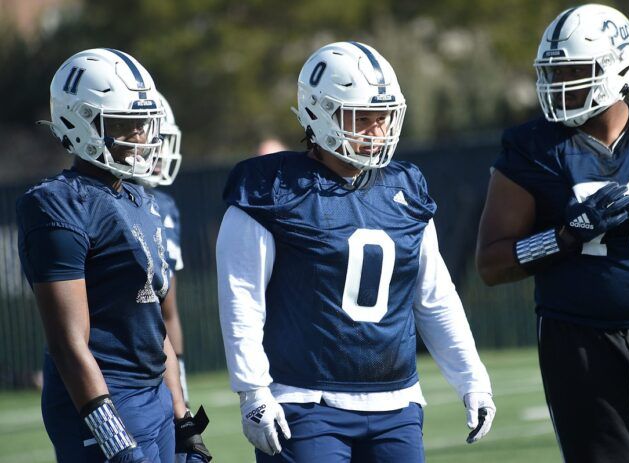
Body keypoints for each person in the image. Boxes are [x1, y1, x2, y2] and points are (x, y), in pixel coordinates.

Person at [217, 41, 495, 463]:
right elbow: (242, 298)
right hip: (305, 402)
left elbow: (435, 298)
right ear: (318, 113)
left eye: (382, 118)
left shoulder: (406, 187)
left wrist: (473, 380)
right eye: (361, 119)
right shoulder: (271, 189)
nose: (376, 132)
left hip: (397, 403)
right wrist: (252, 390)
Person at [476, 4, 629, 462]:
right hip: (580, 345)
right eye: (553, 72)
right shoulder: (532, 147)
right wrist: (562, 237)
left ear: (621, 68)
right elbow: (492, 264)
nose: (560, 85)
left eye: (575, 70)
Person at [17, 48, 211, 463]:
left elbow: (155, 327)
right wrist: (116, 441)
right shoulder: (58, 204)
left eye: (143, 123)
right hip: (103, 398)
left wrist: (185, 422)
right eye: (127, 124)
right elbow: (69, 344)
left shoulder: (142, 198)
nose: (141, 136)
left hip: (155, 395)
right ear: (81, 122)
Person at [131, 91, 189, 406]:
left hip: (157, 360)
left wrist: (179, 375)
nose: (158, 151)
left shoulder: (163, 205)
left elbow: (168, 309)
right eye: (155, 140)